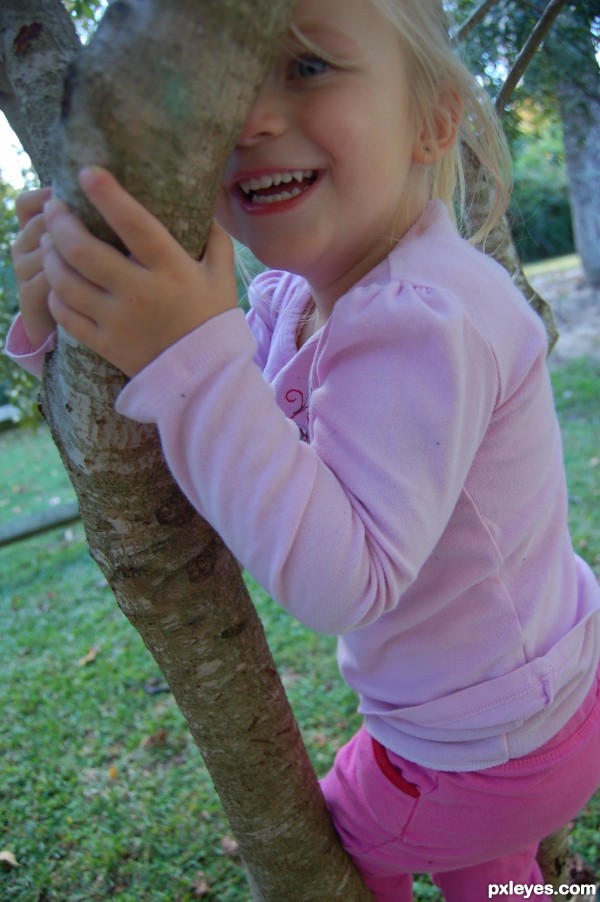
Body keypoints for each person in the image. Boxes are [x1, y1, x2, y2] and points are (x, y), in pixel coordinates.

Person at [6, 0, 600, 899]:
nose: (251, 119)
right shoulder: (299, 295)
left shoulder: (421, 316)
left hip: (482, 749)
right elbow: (224, 450)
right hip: (540, 708)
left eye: (310, 67)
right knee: (498, 875)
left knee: (327, 864)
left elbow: (340, 579)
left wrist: (191, 357)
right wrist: (79, 324)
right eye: (227, 89)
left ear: (434, 118)